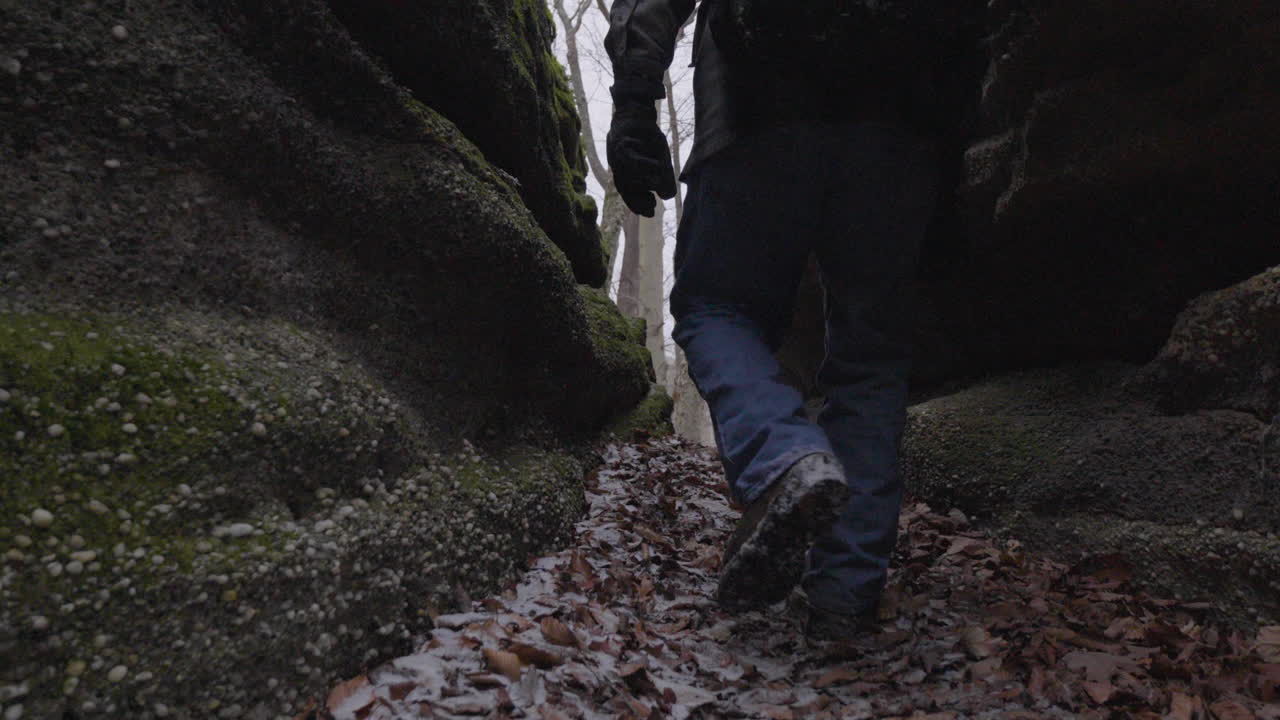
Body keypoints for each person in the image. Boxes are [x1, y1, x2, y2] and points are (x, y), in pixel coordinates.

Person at [604, 0, 969, 634]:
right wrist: (950, 160)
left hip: (755, 109)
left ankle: (783, 459)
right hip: (900, 130)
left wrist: (635, 104)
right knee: (871, 358)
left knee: (715, 308)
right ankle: (843, 594)